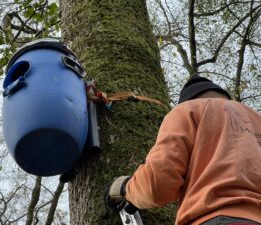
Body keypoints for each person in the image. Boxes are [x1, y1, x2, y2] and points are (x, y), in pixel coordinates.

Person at [104, 75, 261, 225]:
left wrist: (124, 188)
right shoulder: (256, 119)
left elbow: (158, 184)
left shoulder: (187, 110)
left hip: (216, 218)